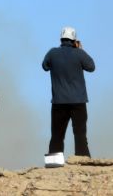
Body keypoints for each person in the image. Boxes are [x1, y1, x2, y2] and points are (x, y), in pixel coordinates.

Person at [42, 26, 95, 157]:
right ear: (74, 40)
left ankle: (54, 161)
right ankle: (82, 160)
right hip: (78, 102)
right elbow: (91, 67)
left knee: (57, 135)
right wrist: (80, 50)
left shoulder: (52, 53)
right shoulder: (79, 53)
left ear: (61, 38)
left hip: (59, 102)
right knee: (80, 134)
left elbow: (45, 66)